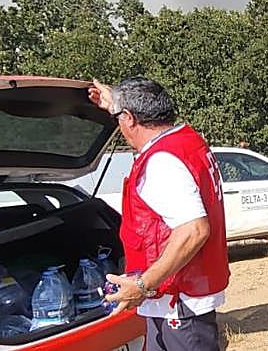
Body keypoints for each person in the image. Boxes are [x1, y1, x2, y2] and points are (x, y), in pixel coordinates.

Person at [88, 77, 229, 351]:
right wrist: (115, 102)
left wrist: (142, 285)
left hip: (178, 300)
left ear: (129, 118)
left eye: (119, 118)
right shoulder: (186, 141)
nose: (119, 126)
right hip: (174, 296)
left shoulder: (162, 162)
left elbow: (194, 230)